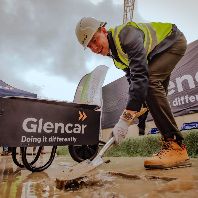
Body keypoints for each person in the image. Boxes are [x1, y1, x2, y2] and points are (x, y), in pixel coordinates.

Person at [75, 17, 191, 169]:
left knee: (149, 85)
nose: (95, 48)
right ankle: (173, 146)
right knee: (150, 96)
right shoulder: (116, 58)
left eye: (95, 40)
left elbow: (140, 78)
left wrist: (124, 120)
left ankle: (175, 146)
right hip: (155, 55)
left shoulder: (126, 35)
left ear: (103, 30)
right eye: (90, 46)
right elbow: (133, 83)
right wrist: (135, 110)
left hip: (172, 42)